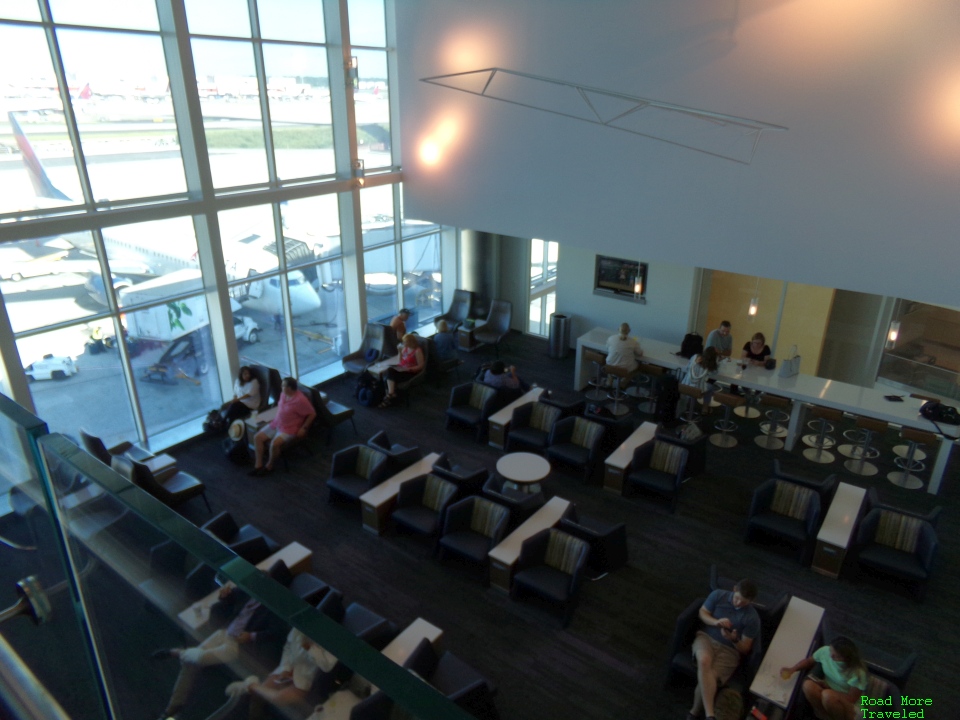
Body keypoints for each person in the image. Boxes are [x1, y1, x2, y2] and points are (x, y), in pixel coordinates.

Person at [153, 579, 285, 719]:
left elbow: (275, 632)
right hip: (224, 633)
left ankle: (177, 652)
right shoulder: (246, 591)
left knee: (198, 658)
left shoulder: (271, 608)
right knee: (190, 661)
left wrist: (251, 636)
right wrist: (224, 596)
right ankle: (173, 708)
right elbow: (230, 598)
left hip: (237, 646)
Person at [688, 579, 760, 720]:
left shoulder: (753, 618)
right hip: (706, 638)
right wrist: (716, 622)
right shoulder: (718, 595)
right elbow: (702, 613)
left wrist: (733, 639)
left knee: (710, 677)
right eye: (737, 598)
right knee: (704, 661)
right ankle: (709, 715)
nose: (738, 603)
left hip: (729, 651)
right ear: (734, 590)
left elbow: (745, 649)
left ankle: (694, 713)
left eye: (743, 602)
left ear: (751, 601)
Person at [781, 637, 868, 720]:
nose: (831, 656)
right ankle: (823, 715)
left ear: (846, 659)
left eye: (836, 656)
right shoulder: (825, 651)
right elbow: (809, 661)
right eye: (831, 651)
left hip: (849, 705)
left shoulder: (858, 672)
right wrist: (792, 669)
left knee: (828, 696)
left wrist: (829, 690)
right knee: (808, 685)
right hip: (828, 692)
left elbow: (851, 698)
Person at [251, 377, 315, 476]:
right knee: (257, 437)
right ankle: (258, 465)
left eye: (283, 385)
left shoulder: (300, 400)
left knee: (274, 444)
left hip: (290, 428)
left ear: (289, 388)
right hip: (277, 423)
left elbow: (312, 413)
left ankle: (269, 466)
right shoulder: (283, 394)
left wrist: (304, 428)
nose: (281, 387)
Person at [380, 333, 425, 407]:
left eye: (405, 342)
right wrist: (399, 352)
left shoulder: (417, 351)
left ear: (410, 342)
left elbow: (421, 365)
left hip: (410, 371)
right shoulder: (406, 348)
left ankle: (390, 394)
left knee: (390, 373)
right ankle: (391, 394)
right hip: (402, 369)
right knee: (388, 372)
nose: (403, 343)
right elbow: (400, 361)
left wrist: (410, 369)